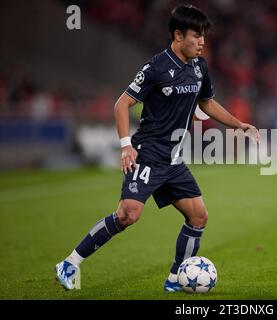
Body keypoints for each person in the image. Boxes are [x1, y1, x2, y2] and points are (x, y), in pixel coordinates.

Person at [55, 4, 259, 292]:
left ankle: (176, 279)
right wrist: (126, 146)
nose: (202, 42)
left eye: (203, 36)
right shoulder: (156, 67)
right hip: (148, 154)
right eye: (196, 36)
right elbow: (121, 103)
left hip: (173, 160)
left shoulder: (199, 67)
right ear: (178, 35)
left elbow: (208, 103)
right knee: (128, 215)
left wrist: (240, 125)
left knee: (198, 216)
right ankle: (70, 263)